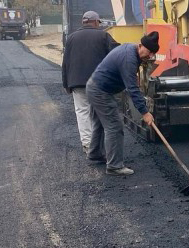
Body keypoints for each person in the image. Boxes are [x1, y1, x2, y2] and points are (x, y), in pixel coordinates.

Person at [86, 31, 160, 176]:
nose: (150, 56)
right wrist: (145, 112)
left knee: (100, 124)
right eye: (149, 52)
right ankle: (114, 166)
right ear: (141, 46)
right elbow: (132, 88)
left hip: (95, 87)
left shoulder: (130, 50)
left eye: (152, 54)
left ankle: (95, 153)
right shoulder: (129, 58)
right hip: (101, 91)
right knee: (114, 126)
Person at [61, 11, 118, 153]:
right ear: (96, 22)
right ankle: (101, 145)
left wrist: (66, 84)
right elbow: (116, 53)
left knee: (82, 112)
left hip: (76, 82)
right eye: (99, 22)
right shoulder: (103, 36)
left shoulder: (71, 38)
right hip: (98, 83)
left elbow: (65, 63)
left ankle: (87, 144)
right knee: (100, 113)